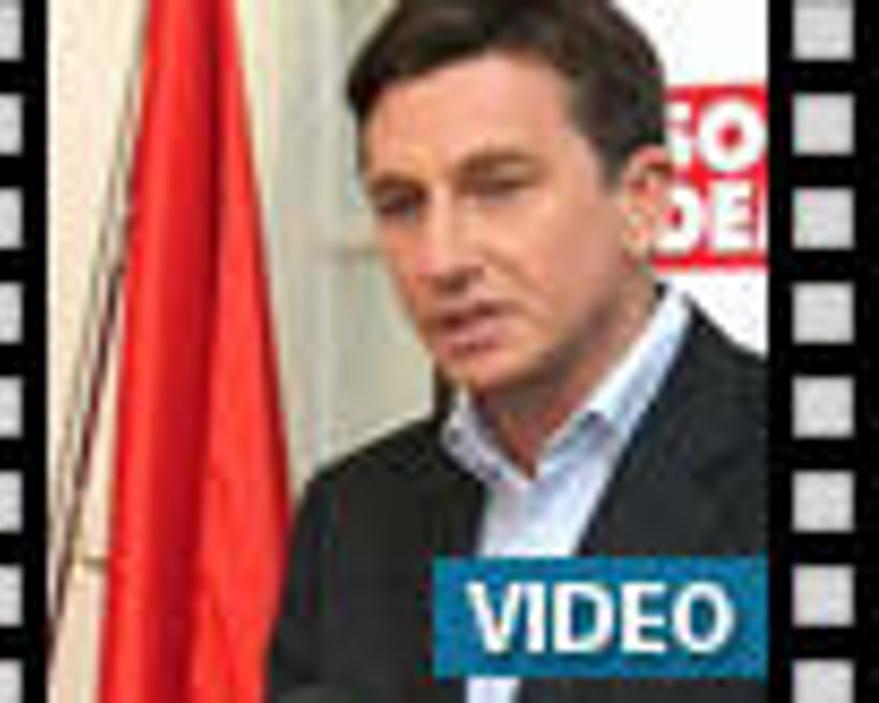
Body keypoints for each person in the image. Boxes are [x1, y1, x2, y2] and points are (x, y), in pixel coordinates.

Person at [267, 1, 766, 701]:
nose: (442, 258)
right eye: (402, 203)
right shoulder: (350, 517)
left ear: (642, 201)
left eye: (498, 188)